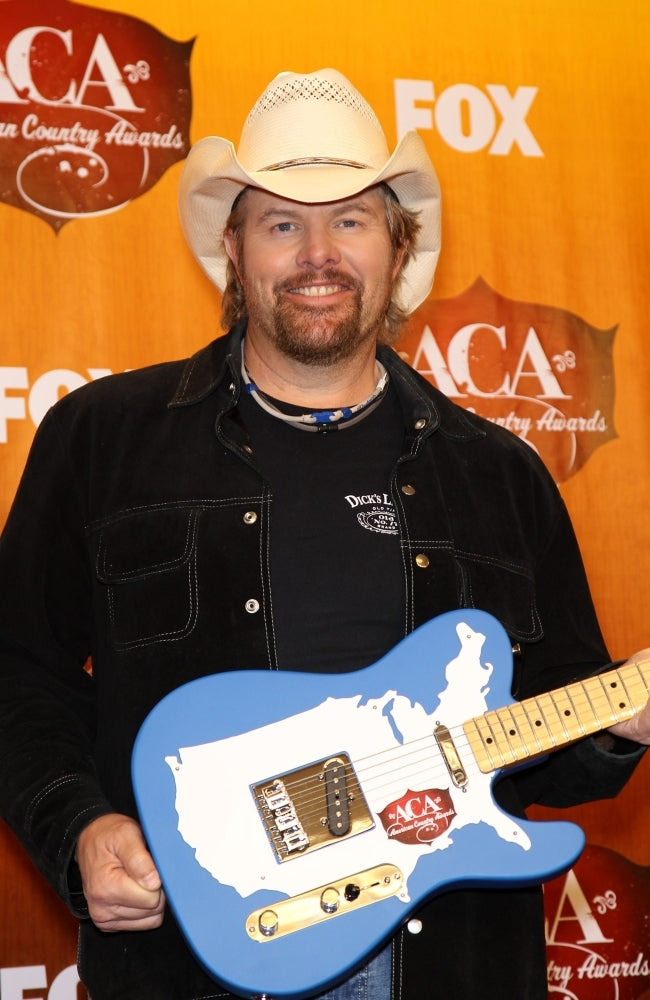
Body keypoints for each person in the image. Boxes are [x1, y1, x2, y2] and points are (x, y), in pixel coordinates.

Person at [0, 68, 648, 1000]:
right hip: (195, 954)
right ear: (233, 247)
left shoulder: (499, 473)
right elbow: (19, 668)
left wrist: (621, 721)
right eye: (280, 223)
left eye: (350, 220)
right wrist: (78, 827)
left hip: (439, 961)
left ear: (397, 247)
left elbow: (553, 734)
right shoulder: (104, 438)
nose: (317, 254)